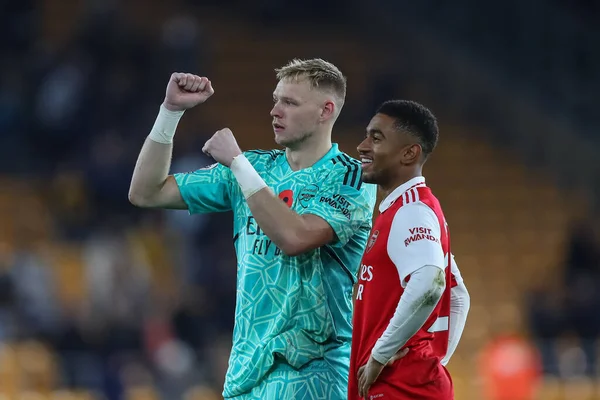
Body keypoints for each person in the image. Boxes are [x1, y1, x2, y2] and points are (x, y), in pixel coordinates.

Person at [128, 58, 377, 399]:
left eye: (289, 102)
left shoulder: (351, 176)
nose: (275, 111)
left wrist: (237, 163)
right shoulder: (257, 167)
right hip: (246, 373)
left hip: (313, 372)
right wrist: (170, 112)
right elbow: (146, 192)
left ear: (325, 111)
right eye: (276, 100)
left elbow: (296, 236)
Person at [348, 100, 470, 399]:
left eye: (376, 138)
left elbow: (431, 282)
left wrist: (380, 355)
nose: (363, 146)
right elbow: (458, 296)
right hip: (406, 383)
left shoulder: (411, 211)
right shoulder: (414, 207)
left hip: (399, 387)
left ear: (409, 153)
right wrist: (434, 360)